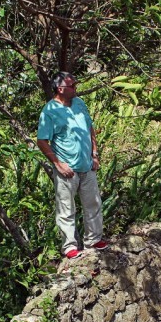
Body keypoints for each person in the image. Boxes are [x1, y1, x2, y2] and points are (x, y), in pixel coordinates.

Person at [37, 72, 109, 259]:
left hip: (87, 165)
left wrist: (95, 153)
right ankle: (69, 246)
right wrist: (58, 164)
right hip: (67, 169)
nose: (76, 88)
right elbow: (42, 141)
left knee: (93, 203)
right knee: (66, 208)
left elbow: (89, 128)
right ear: (60, 89)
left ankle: (93, 240)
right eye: (72, 86)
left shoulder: (79, 104)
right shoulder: (49, 111)